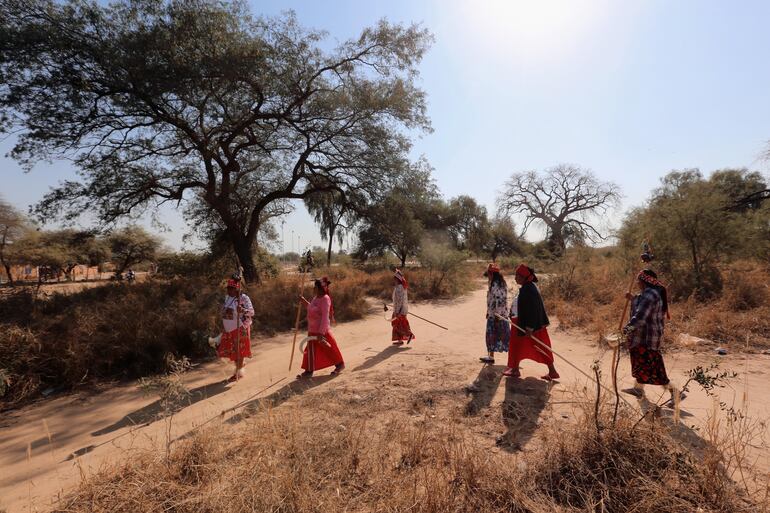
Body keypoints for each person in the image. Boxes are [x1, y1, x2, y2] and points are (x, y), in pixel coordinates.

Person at [622, 269, 680, 406]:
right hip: (645, 337)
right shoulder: (650, 293)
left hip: (646, 338)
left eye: (638, 280)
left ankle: (676, 393)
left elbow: (641, 317)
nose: (637, 283)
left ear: (644, 281)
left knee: (654, 368)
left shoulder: (649, 294)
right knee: (640, 364)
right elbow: (641, 302)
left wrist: (626, 330)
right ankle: (638, 389)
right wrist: (633, 299)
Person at [503, 264, 560, 380]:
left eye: (517, 276)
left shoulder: (529, 289)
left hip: (529, 325)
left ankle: (552, 371)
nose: (515, 278)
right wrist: (511, 312)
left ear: (524, 277)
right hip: (522, 322)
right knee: (516, 346)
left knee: (540, 346)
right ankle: (514, 369)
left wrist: (529, 327)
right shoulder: (526, 287)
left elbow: (533, 309)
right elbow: (522, 304)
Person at [298, 279, 344, 378]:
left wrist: (321, 333)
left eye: (316, 287)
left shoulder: (325, 299)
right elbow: (312, 309)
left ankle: (340, 364)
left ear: (320, 288)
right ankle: (308, 370)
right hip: (312, 329)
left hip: (321, 330)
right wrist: (304, 302)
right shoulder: (315, 298)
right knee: (310, 350)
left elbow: (324, 317)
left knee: (329, 348)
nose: (314, 288)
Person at [217, 278, 254, 383]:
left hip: (241, 328)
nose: (228, 291)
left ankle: (238, 372)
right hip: (229, 329)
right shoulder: (227, 298)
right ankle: (240, 365)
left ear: (237, 289)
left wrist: (243, 310)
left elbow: (252, 312)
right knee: (233, 350)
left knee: (239, 350)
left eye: (231, 289)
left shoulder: (243, 298)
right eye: (228, 288)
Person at [480, 263, 510, 364]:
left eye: (488, 274)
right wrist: (488, 312)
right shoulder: (498, 283)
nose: (487, 276)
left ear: (492, 274)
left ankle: (513, 360)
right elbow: (492, 300)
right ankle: (491, 356)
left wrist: (497, 315)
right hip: (496, 314)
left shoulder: (495, 284)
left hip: (498, 316)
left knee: (500, 336)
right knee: (493, 336)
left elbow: (499, 300)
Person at [391, 268, 414, 346]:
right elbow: (397, 299)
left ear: (398, 279)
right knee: (399, 324)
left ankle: (408, 334)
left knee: (397, 324)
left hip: (399, 310)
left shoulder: (399, 287)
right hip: (400, 309)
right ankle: (400, 340)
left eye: (395, 279)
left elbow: (400, 300)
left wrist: (397, 311)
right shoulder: (401, 287)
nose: (394, 281)